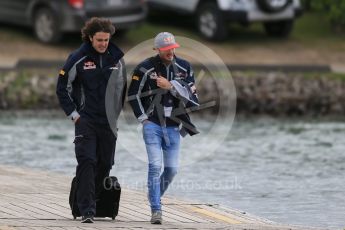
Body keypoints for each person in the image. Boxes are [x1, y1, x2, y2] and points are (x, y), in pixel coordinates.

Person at [56, 17, 126, 223]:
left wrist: (115, 116)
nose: (103, 44)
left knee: (105, 163)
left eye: (106, 40)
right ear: (90, 38)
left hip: (109, 122)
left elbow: (121, 90)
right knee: (87, 161)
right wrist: (74, 115)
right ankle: (87, 210)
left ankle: (85, 200)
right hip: (85, 120)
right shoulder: (77, 57)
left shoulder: (117, 59)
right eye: (99, 40)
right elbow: (62, 88)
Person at [128, 32, 199, 224]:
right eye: (166, 49)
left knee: (172, 170)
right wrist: (143, 119)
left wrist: (171, 86)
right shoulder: (144, 67)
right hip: (152, 125)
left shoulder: (185, 67)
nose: (170, 52)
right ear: (157, 49)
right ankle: (156, 210)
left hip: (174, 127)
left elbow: (193, 98)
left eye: (173, 48)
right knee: (154, 166)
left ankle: (154, 195)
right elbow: (132, 95)